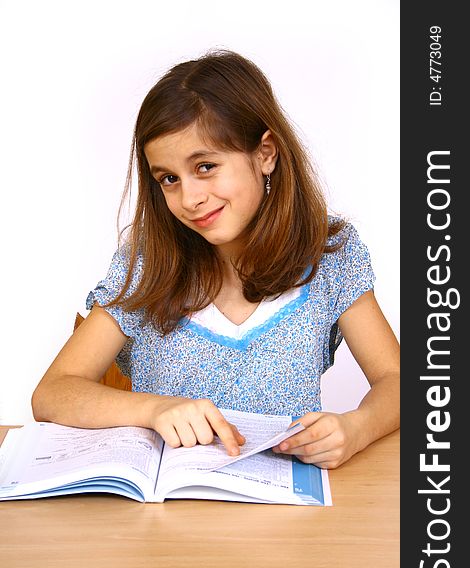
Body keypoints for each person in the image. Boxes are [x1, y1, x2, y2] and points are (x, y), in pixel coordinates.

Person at [32, 49, 400, 469]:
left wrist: (357, 428)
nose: (190, 198)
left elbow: (398, 381)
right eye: (169, 178)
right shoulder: (148, 265)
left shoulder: (329, 254)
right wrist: (153, 409)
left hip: (287, 522)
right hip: (166, 518)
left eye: (205, 166)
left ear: (265, 154)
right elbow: (52, 393)